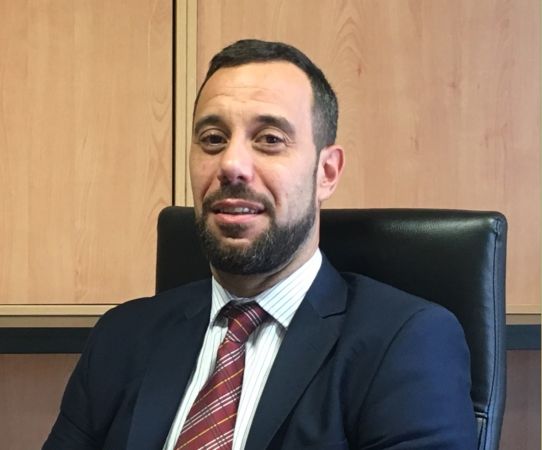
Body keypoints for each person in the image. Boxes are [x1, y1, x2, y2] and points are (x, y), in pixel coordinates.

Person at [43, 39, 477, 450]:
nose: (231, 164)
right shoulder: (121, 336)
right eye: (213, 139)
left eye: (270, 139)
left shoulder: (406, 342)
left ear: (326, 172)